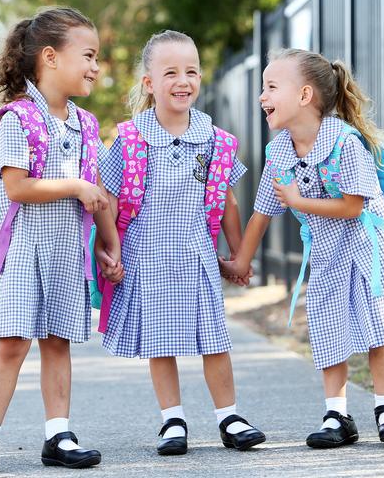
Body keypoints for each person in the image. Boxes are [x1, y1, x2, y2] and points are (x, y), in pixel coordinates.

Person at [220, 48, 384, 449]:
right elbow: (262, 212)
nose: (262, 96)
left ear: (305, 96)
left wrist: (297, 201)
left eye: (271, 87)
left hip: (368, 246)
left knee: (377, 328)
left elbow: (352, 205)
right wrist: (240, 262)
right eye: (263, 88)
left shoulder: (345, 142)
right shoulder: (279, 151)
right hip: (329, 252)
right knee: (329, 328)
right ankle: (337, 414)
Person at [0, 7, 123, 477]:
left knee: (58, 343)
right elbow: (18, 188)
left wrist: (109, 247)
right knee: (11, 344)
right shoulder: (19, 120)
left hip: (69, 255)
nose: (95, 66)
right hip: (24, 252)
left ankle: (59, 434)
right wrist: (73, 186)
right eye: (88, 55)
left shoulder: (86, 126)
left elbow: (102, 195)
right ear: (50, 57)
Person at [95, 30, 265, 456]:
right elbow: (108, 198)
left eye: (191, 71)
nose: (182, 80)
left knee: (214, 339)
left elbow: (226, 199)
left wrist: (238, 255)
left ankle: (229, 415)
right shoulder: (131, 139)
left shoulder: (215, 141)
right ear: (149, 83)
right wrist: (111, 249)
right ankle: (172, 419)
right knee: (161, 340)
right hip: (146, 255)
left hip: (197, 255)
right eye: (170, 72)